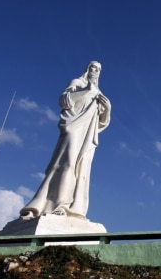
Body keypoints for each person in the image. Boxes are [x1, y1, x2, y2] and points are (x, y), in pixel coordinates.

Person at [20, 61, 111, 219]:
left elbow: (101, 122)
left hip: (87, 134)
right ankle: (54, 205)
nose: (95, 71)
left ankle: (68, 206)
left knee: (79, 167)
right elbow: (64, 101)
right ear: (87, 69)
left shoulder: (99, 93)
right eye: (92, 67)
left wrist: (107, 109)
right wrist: (85, 90)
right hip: (73, 127)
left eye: (98, 69)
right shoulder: (77, 83)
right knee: (66, 163)